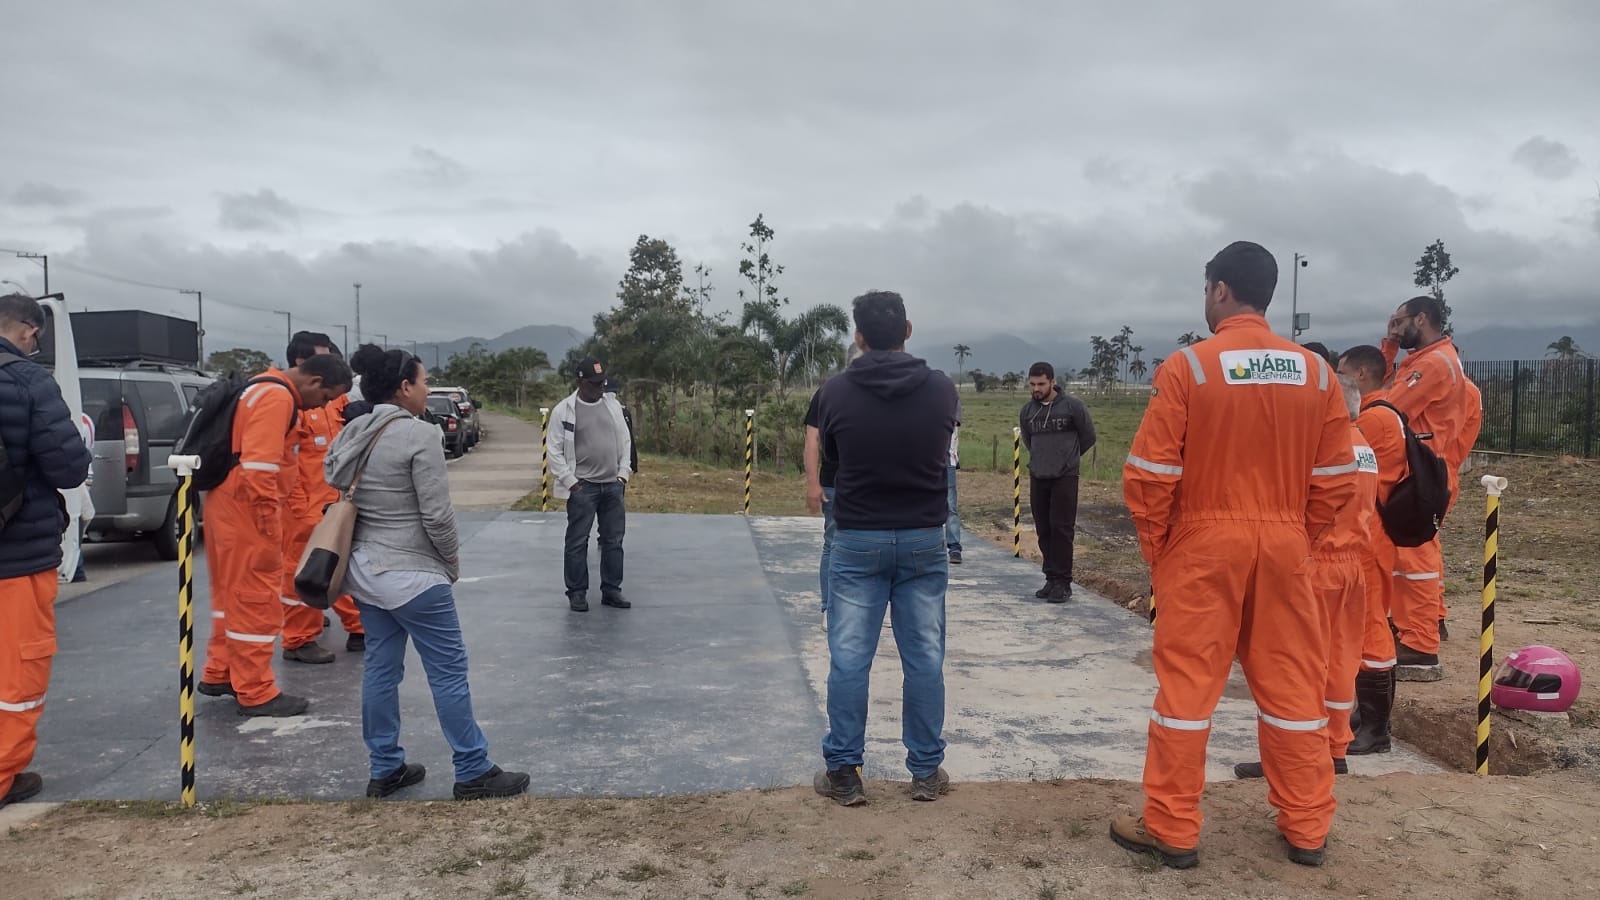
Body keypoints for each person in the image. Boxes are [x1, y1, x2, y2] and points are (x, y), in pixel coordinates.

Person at [1114, 242, 1356, 868]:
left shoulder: (1190, 367)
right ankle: (1306, 827)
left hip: (1201, 546)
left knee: (1188, 694)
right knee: (1294, 689)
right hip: (1285, 544)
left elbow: (1148, 475)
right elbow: (1335, 479)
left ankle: (1172, 828)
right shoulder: (1318, 373)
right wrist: (1298, 538)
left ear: (1219, 290)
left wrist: (1161, 553)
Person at [326, 345, 529, 800]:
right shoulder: (419, 435)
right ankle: (473, 768)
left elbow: (332, 480)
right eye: (423, 381)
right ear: (404, 388)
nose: (428, 389)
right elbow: (437, 516)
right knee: (448, 672)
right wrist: (451, 563)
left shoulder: (353, 429)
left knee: (381, 667)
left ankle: (385, 767)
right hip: (415, 574)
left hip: (365, 573)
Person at [813, 290, 959, 806]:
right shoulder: (943, 390)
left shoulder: (835, 392)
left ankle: (845, 773)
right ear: (909, 331)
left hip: (857, 542)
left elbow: (833, 455)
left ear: (858, 336)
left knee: (850, 659)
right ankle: (925, 772)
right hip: (923, 540)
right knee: (924, 658)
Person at [1233, 374, 1376, 778]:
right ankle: (1334, 750)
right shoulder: (1365, 447)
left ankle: (1287, 757)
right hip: (1352, 567)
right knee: (1340, 661)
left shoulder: (1324, 446)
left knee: (1291, 666)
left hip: (1316, 563)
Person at [197, 352, 352, 716]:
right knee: (256, 600)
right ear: (314, 382)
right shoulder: (278, 397)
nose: (324, 405)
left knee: (229, 598)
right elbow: (260, 467)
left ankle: (221, 671)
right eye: (327, 397)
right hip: (250, 513)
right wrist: (269, 525)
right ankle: (256, 690)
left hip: (229, 506)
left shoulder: (258, 387)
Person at [0, 293, 93, 808]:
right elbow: (67, 469)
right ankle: (4, 773)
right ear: (30, 331)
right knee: (17, 670)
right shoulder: (29, 380)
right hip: (17, 551)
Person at [1379, 296, 1467, 675]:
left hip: (1422, 472)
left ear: (1421, 318)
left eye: (1399, 322)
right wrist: (1390, 347)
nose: (1395, 328)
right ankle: (1415, 630)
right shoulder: (1422, 361)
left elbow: (1385, 409)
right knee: (1406, 557)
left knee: (1414, 559)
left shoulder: (1432, 364)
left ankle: (1419, 642)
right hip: (1418, 469)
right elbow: (1378, 391)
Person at [1337, 344, 1410, 754]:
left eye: (1341, 372)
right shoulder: (1384, 416)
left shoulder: (1371, 421)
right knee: (1369, 624)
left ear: (1360, 375)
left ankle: (1376, 727)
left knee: (1371, 628)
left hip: (1367, 537)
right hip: (1372, 534)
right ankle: (1368, 717)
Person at [279, 332, 366, 662]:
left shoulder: (335, 401)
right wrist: (298, 505)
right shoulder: (292, 405)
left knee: (339, 565)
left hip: (334, 499)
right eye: (324, 356)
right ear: (303, 363)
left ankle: (359, 627)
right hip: (302, 503)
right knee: (301, 571)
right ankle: (299, 639)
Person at [546, 357, 633, 613]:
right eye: (594, 383)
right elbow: (554, 450)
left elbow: (625, 441)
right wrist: (572, 483)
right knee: (577, 541)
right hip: (584, 488)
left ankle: (611, 590)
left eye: (602, 382)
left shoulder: (612, 405)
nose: (599, 388)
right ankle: (577, 592)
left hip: (612, 486)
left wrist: (623, 474)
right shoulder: (564, 410)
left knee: (613, 541)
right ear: (580, 381)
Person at [1019, 362, 1096, 602]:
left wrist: (1068, 458)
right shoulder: (1027, 412)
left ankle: (1063, 582)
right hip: (1038, 475)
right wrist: (1043, 458)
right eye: (1032, 384)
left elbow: (1088, 436)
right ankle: (1050, 578)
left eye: (1041, 384)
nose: (1036, 389)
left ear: (1052, 382)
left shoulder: (1073, 406)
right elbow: (1028, 440)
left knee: (1062, 529)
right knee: (1044, 529)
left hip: (1065, 477)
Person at [804, 343, 864, 624]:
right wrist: (813, 483)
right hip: (835, 481)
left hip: (871, 484)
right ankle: (829, 606)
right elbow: (812, 440)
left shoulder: (876, 393)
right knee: (834, 543)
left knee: (868, 546)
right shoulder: (828, 393)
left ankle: (864, 607)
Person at [58, 412, 96, 584]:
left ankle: (77, 563)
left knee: (78, 513)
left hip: (80, 476)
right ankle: (77, 564)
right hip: (82, 474)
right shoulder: (83, 420)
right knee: (81, 513)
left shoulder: (81, 420)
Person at [946, 399, 963, 565]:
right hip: (923, 461)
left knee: (950, 505)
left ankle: (954, 547)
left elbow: (953, 426)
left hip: (946, 461)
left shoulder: (952, 402)